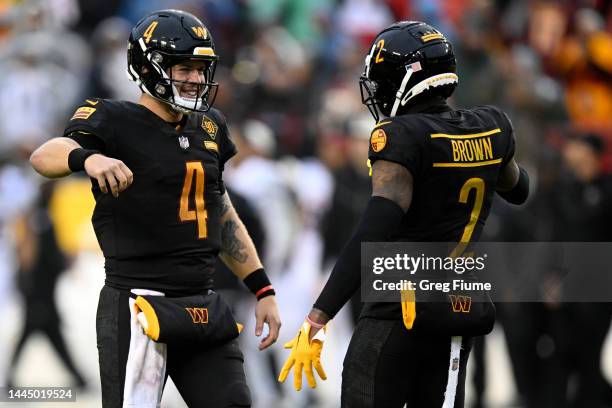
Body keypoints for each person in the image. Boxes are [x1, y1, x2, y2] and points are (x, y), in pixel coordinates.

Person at [29, 9, 281, 408]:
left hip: (202, 301)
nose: (196, 79)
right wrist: (88, 159)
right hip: (138, 305)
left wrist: (261, 287)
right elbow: (44, 155)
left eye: (201, 69)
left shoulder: (210, 126)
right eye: (184, 67)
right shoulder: (112, 117)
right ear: (149, 67)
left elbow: (221, 213)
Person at [278, 21, 529, 407]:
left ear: (408, 80)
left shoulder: (400, 135)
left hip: (398, 312)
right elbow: (519, 188)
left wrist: (319, 315)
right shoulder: (493, 126)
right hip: (456, 312)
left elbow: (375, 226)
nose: (376, 90)